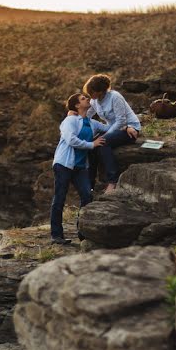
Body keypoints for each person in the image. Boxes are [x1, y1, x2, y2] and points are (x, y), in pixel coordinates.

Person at [50, 92, 108, 244]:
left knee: (87, 197)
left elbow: (109, 128)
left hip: (81, 167)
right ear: (77, 105)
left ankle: (83, 232)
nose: (87, 99)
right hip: (64, 164)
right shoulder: (70, 120)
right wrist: (92, 145)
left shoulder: (91, 122)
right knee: (59, 198)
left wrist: (129, 126)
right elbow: (70, 139)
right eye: (83, 99)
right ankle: (56, 236)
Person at [82, 74, 141, 192]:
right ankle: (90, 185)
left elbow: (121, 121)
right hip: (112, 128)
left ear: (100, 91)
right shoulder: (95, 101)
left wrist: (106, 135)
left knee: (103, 142)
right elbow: (87, 115)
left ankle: (112, 181)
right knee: (91, 146)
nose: (89, 95)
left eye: (91, 92)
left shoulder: (115, 97)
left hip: (129, 128)